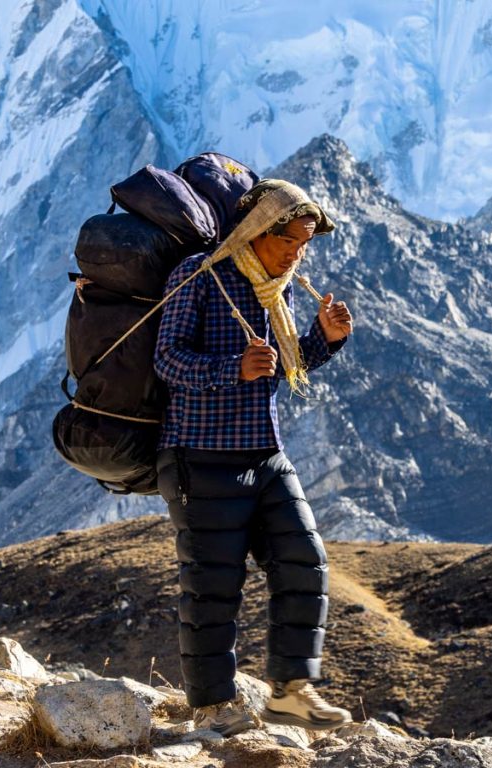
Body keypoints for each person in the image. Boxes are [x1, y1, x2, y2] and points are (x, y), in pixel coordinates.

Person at [153, 179, 353, 736]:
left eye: (306, 244)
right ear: (258, 230)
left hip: (264, 453)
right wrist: (229, 370)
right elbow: (167, 361)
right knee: (213, 584)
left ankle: (292, 691)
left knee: (305, 562)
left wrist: (323, 340)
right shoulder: (198, 275)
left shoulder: (278, 289)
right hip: (200, 454)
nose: (299, 253)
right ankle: (213, 707)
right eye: (291, 240)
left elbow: (283, 369)